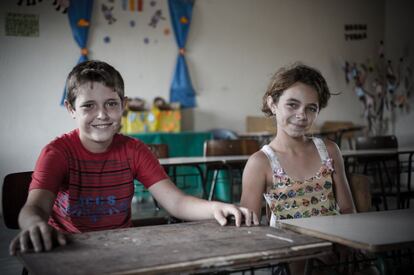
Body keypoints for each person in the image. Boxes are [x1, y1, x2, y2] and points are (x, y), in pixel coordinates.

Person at [10, 60, 259, 255]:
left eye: (110, 103)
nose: (102, 115)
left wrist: (215, 206)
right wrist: (34, 225)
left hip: (121, 250)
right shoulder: (57, 153)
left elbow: (176, 203)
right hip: (66, 250)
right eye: (88, 106)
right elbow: (35, 208)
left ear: (123, 105)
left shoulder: (135, 151)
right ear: (71, 109)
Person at [241, 63, 356, 227]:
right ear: (273, 104)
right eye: (292, 105)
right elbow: (248, 228)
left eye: (311, 108)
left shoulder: (329, 151)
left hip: (333, 247)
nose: (302, 115)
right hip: (288, 250)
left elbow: (347, 210)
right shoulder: (260, 163)